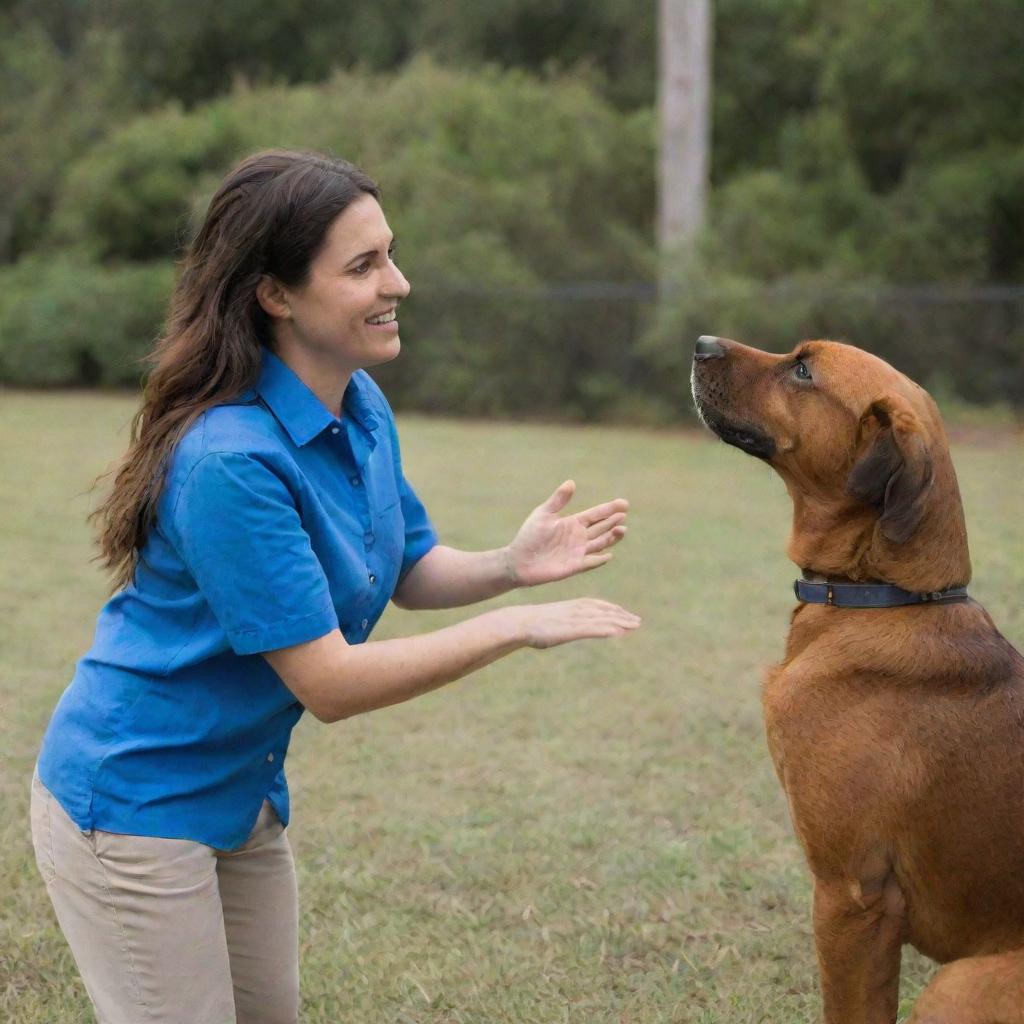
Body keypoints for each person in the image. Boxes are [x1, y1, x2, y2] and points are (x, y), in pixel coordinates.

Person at [30, 149, 640, 1024]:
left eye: (390, 253)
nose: (400, 281)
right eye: (363, 266)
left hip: (242, 796)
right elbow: (328, 683)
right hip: (132, 806)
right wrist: (515, 626)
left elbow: (404, 568)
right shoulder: (229, 462)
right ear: (275, 294)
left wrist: (509, 564)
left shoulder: (357, 405)